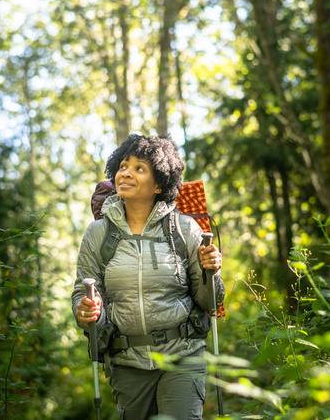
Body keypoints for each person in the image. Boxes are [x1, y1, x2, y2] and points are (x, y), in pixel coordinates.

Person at [71, 133, 225, 420]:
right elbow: (83, 292)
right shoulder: (98, 234)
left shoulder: (186, 229)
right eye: (122, 166)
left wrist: (211, 272)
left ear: (158, 184)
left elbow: (210, 302)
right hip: (127, 361)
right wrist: (84, 310)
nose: (126, 173)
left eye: (139, 168)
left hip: (183, 353)